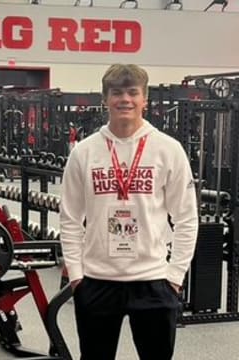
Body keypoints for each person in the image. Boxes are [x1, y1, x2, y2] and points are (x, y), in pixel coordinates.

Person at [59, 64, 198, 360]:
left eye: (133, 92)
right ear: (105, 99)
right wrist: (75, 275)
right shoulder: (83, 152)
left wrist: (175, 275)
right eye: (117, 92)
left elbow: (186, 217)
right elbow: (70, 218)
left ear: (144, 99)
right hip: (97, 281)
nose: (125, 99)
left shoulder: (168, 150)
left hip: (153, 282)